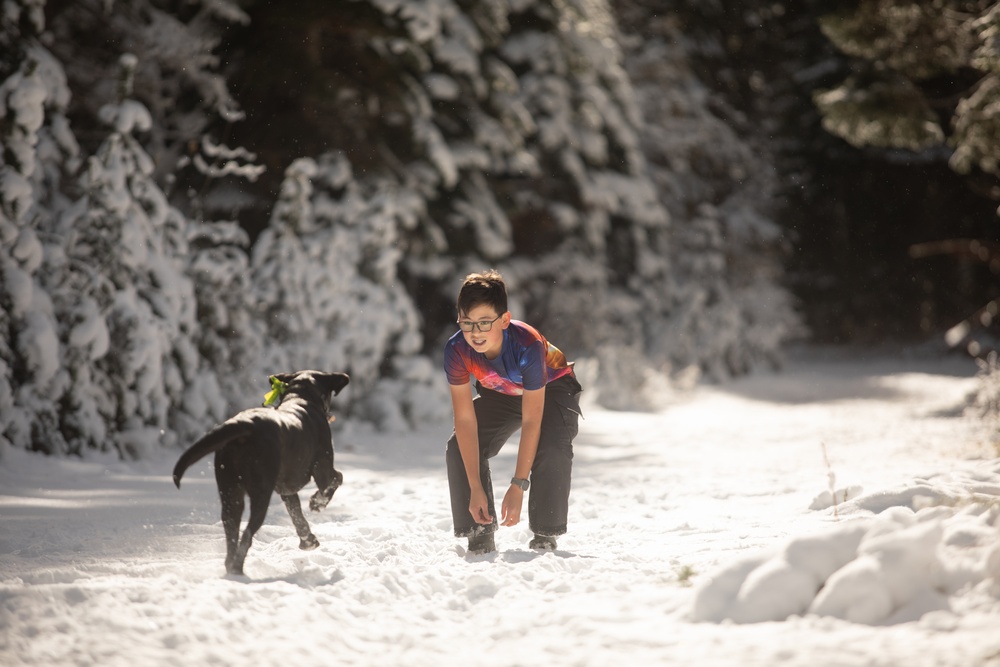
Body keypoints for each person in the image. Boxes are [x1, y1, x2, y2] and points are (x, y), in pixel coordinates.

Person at [443, 269, 583, 555]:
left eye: (484, 323)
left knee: (552, 447)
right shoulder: (456, 350)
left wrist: (518, 484)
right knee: (459, 446)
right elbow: (465, 419)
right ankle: (479, 532)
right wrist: (474, 486)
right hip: (502, 392)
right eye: (467, 323)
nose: (475, 333)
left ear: (504, 320)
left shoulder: (526, 344)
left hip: (552, 387)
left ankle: (545, 532)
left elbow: (533, 419)